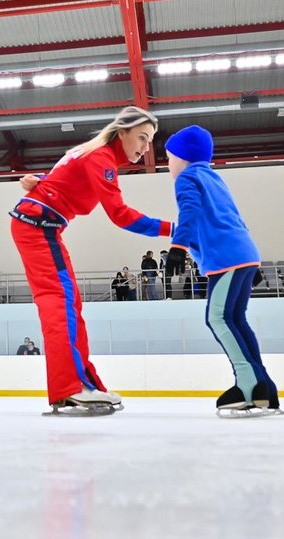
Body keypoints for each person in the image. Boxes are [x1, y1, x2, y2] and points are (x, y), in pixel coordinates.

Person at [11, 106, 172, 414]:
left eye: (149, 141)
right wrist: (173, 229)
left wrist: (40, 181)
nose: (145, 147)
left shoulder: (90, 153)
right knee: (60, 304)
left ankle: (76, 385)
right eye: (141, 138)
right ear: (121, 132)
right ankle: (72, 386)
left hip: (40, 225)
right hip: (38, 226)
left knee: (67, 304)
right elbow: (121, 216)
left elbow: (61, 180)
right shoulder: (101, 158)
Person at [164, 124, 279, 415]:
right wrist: (256, 261)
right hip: (243, 253)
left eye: (169, 157)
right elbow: (233, 217)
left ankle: (248, 383)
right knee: (235, 319)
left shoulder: (187, 177)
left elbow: (188, 212)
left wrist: (178, 248)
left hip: (225, 258)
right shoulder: (214, 178)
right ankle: (264, 386)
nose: (168, 165)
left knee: (217, 318)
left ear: (184, 157)